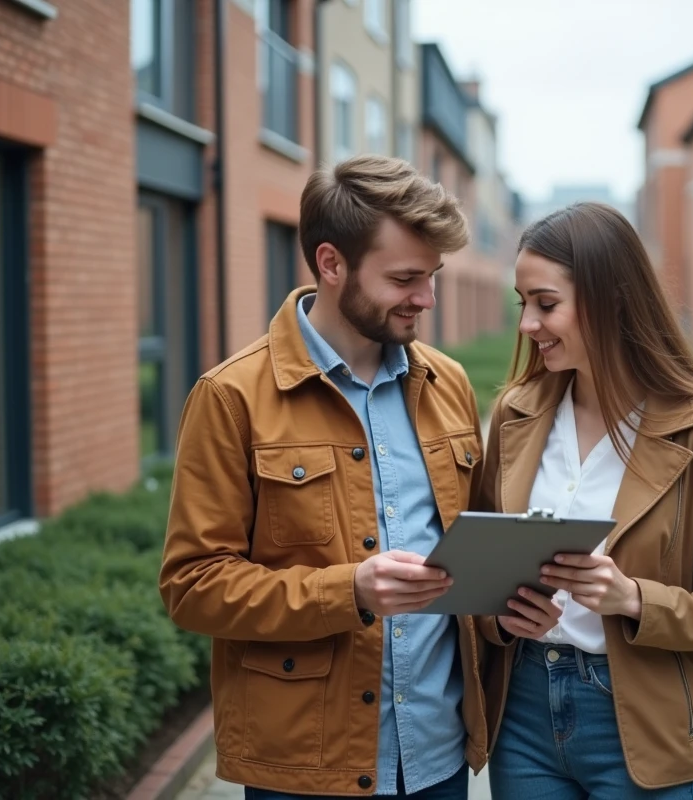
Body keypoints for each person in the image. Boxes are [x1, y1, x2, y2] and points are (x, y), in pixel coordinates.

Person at [159, 155, 492, 799]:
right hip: (305, 771)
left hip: (438, 757)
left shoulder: (447, 383)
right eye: (404, 278)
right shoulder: (231, 397)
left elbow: (469, 555)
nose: (425, 298)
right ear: (332, 264)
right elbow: (192, 585)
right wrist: (351, 592)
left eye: (432, 277)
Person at [476, 202, 693, 800]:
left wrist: (633, 599)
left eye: (546, 303)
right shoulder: (515, 414)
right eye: (522, 303)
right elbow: (481, 572)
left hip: (645, 724)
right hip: (525, 713)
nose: (528, 324)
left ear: (610, 301)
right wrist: (498, 618)